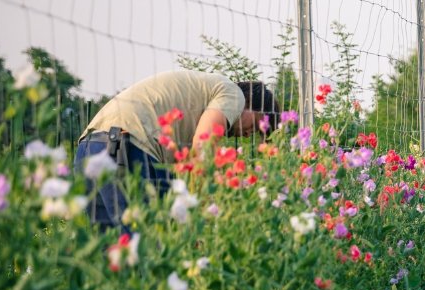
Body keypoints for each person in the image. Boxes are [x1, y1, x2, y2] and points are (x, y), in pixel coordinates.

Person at [75, 70, 276, 227]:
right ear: (250, 103)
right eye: (258, 123)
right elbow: (203, 146)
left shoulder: (203, 93)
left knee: (112, 253)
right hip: (128, 147)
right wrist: (203, 204)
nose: (252, 134)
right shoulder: (234, 95)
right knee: (152, 246)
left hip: (89, 146)